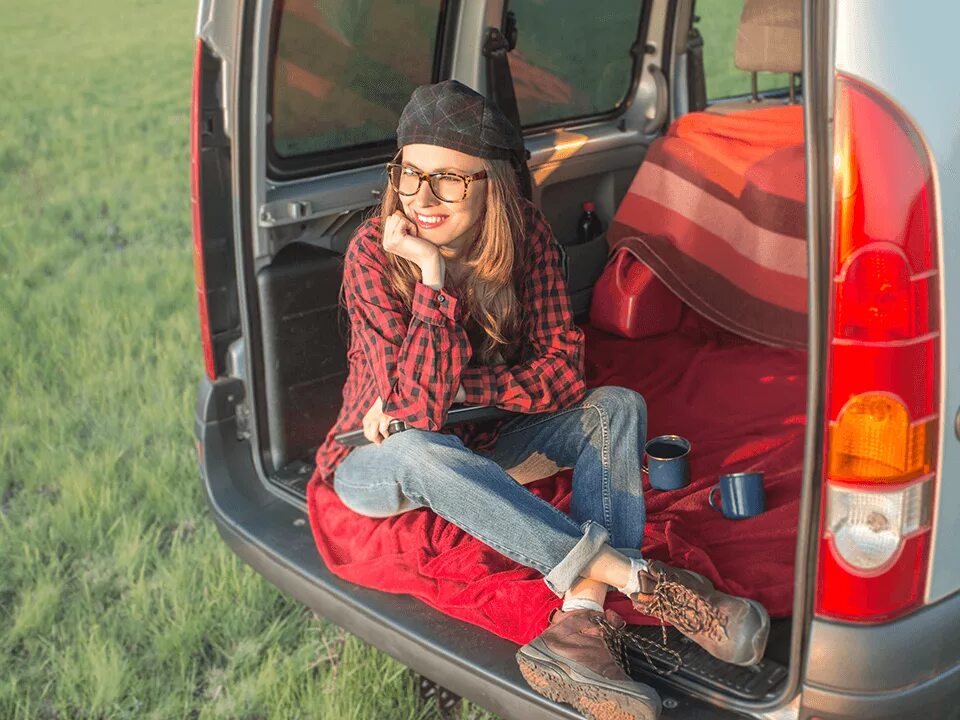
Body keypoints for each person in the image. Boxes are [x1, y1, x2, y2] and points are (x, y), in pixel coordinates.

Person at [311, 80, 769, 720]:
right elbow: (413, 417)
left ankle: (577, 626)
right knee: (421, 446)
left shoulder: (525, 237)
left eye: (450, 180)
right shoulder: (374, 252)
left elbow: (562, 378)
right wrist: (431, 275)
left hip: (489, 439)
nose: (423, 200)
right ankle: (637, 578)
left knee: (617, 406)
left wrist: (465, 390)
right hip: (373, 459)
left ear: (492, 184)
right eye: (410, 176)